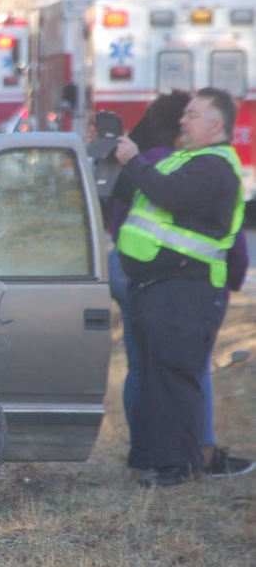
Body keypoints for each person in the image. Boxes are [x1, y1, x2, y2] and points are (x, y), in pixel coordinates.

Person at [105, 92, 253, 481]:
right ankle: (156, 460)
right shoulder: (186, 160)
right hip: (161, 286)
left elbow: (171, 195)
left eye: (193, 115)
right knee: (158, 377)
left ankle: (180, 467)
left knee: (175, 379)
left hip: (188, 288)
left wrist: (134, 160)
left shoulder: (214, 166)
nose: (183, 121)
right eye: (184, 114)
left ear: (216, 125)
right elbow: (133, 193)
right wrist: (110, 159)